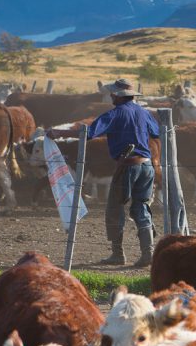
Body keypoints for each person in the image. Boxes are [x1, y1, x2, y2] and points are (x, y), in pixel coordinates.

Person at [51, 79, 160, 266]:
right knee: (141, 207)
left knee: (115, 209)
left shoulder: (115, 114)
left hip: (128, 165)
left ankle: (118, 254)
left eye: (112, 94)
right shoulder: (145, 113)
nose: (110, 96)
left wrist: (58, 134)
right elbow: (156, 132)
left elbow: (89, 133)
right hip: (147, 166)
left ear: (117, 95)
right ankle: (147, 253)